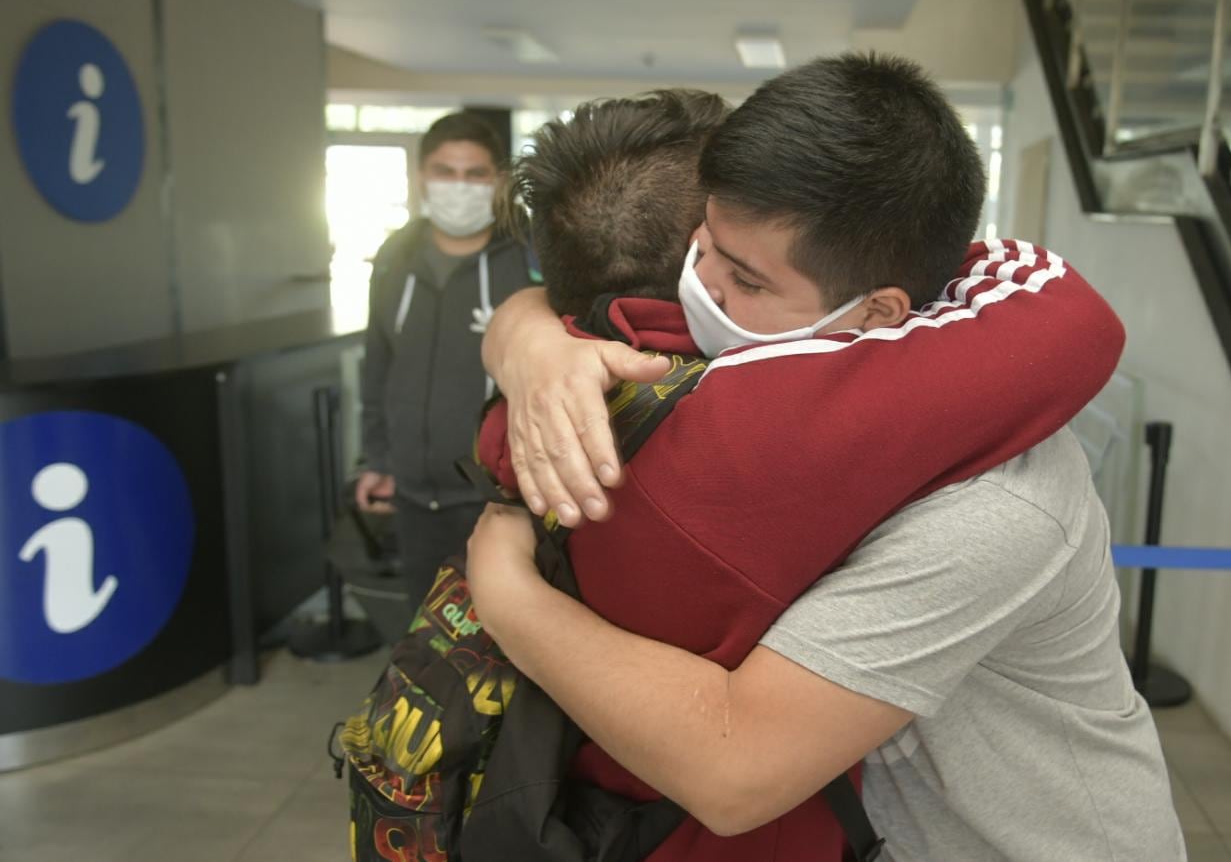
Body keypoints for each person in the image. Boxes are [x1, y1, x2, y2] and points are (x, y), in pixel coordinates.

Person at [467, 53, 1186, 861]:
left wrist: (506, 591)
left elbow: (737, 765)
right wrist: (529, 339)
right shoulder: (818, 351)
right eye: (700, 247)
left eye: (742, 278)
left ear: (877, 311)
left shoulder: (992, 502)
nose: (697, 288)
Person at [358, 111, 536, 609]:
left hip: (499, 499)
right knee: (424, 637)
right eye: (445, 172)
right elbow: (378, 364)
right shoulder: (396, 256)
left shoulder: (530, 256)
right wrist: (378, 459)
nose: (460, 186)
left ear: (499, 181)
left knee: (503, 642)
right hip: (414, 497)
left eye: (475, 174)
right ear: (421, 178)